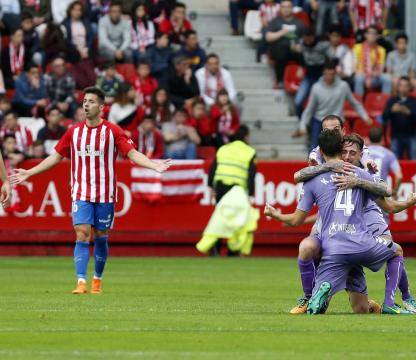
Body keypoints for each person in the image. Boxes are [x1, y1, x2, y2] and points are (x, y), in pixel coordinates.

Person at [9, 87, 171, 294]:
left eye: (91, 101)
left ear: (102, 107)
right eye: (84, 101)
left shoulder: (113, 131)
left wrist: (153, 165)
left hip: (105, 193)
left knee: (101, 235)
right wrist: (29, 173)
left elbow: (131, 153)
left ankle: (97, 279)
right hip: (81, 191)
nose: (86, 105)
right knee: (82, 232)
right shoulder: (74, 132)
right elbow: (55, 156)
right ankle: (81, 282)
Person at [265, 129, 416, 315]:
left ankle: (313, 296)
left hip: (333, 248)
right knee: (396, 251)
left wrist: (276, 215)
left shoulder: (312, 179)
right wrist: (408, 202)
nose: (348, 155)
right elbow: (388, 200)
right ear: (340, 147)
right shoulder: (360, 173)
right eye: (345, 151)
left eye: (352, 152)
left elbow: (296, 219)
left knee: (309, 248)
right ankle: (392, 302)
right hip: (361, 244)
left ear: (321, 151)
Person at [297, 60, 371, 150]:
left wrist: (365, 117)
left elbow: (355, 103)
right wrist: (303, 125)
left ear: (335, 73)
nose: (329, 77)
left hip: (337, 123)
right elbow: (309, 109)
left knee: (339, 149)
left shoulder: (343, 86)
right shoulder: (316, 87)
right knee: (314, 148)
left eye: (332, 74)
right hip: (320, 122)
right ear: (323, 73)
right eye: (327, 74)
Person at [207, 125, 256, 255]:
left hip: (220, 187)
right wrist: (250, 194)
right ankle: (232, 250)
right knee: (236, 220)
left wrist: (210, 186)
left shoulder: (223, 148)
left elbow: (213, 168)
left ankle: (214, 249)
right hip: (237, 189)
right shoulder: (249, 151)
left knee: (220, 218)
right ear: (246, 136)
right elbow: (251, 175)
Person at [265, 0, 304, 88]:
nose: (286, 9)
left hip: (295, 50)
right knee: (281, 52)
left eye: (288, 7)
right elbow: (268, 37)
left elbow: (305, 39)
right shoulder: (275, 21)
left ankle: (303, 79)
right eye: (284, 7)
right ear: (280, 9)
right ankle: (280, 81)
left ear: (292, 8)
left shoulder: (299, 23)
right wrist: (282, 32)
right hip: (279, 50)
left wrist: (299, 47)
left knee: (306, 53)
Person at [293, 28, 330, 119]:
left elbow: (332, 59)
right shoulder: (301, 43)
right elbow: (295, 49)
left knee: (319, 104)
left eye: (310, 39)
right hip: (308, 77)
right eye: (306, 39)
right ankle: (302, 122)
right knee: (298, 101)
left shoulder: (323, 45)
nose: (308, 41)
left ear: (313, 37)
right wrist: (301, 66)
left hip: (321, 78)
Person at [382, 76, 416, 160]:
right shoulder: (392, 101)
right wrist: (391, 110)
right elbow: (384, 117)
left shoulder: (414, 101)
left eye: (405, 86)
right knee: (395, 163)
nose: (403, 88)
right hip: (396, 136)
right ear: (398, 87)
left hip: (411, 136)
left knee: (414, 162)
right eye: (401, 85)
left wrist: (408, 112)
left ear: (409, 87)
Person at [352, 26, 391, 97]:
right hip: (361, 75)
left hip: (375, 77)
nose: (372, 36)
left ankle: (384, 102)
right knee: (359, 78)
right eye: (370, 33)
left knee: (387, 78)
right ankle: (358, 103)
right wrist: (366, 76)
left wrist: (370, 76)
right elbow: (354, 68)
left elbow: (381, 70)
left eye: (374, 34)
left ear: (377, 36)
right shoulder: (357, 47)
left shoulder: (381, 50)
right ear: (365, 35)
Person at [367, 127, 402, 195]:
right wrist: (395, 192)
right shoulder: (389, 154)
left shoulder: (362, 153)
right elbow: (399, 177)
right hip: (381, 192)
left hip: (365, 191)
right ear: (382, 139)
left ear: (369, 139)